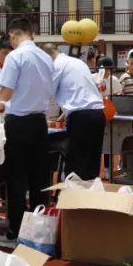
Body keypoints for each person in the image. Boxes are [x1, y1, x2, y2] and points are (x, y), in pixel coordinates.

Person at [0, 18, 54, 248]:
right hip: (40, 122)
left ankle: (16, 232)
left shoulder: (16, 56)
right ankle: (40, 232)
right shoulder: (45, 56)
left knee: (17, 179)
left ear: (13, 34)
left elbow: (5, 94)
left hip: (19, 123)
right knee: (40, 179)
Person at [45, 44, 105, 181]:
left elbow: (47, 92)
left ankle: (75, 192)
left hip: (81, 117)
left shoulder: (56, 65)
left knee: (76, 163)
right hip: (97, 114)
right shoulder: (77, 62)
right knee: (91, 161)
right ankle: (90, 191)